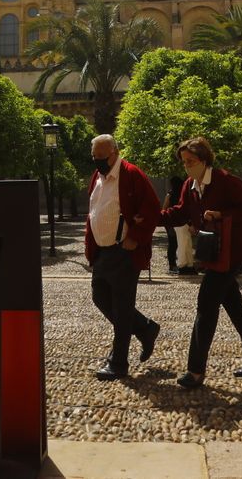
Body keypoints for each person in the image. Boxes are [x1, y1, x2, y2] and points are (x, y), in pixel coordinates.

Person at [159, 136, 242, 390]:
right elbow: (180, 212)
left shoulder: (226, 180)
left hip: (232, 251)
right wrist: (148, 219)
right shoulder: (190, 185)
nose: (187, 166)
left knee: (206, 304)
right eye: (184, 162)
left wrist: (222, 214)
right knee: (234, 305)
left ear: (204, 159)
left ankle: (195, 371)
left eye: (191, 161)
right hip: (214, 253)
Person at [85, 134, 160, 380]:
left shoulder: (131, 174)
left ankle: (118, 363)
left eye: (102, 157)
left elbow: (151, 208)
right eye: (94, 157)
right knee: (100, 297)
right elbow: (93, 211)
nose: (97, 162)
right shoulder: (98, 177)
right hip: (102, 252)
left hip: (124, 252)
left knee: (122, 306)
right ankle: (145, 328)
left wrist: (135, 237)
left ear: (114, 152)